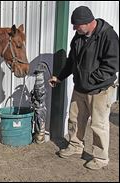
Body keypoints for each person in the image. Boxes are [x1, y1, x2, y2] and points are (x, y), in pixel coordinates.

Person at [49, 6, 119, 170]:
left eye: (76, 25)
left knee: (98, 124)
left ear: (88, 22)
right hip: (80, 88)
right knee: (75, 120)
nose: (74, 28)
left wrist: (91, 80)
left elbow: (112, 65)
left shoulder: (108, 36)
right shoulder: (78, 37)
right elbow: (71, 61)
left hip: (99, 90)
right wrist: (59, 77)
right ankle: (75, 146)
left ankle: (101, 158)